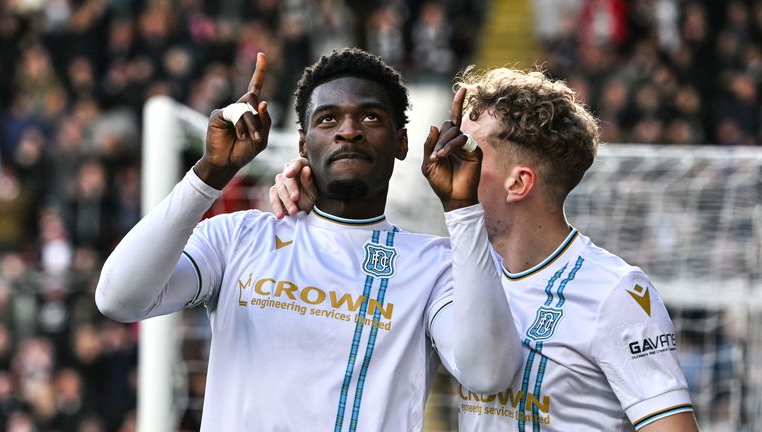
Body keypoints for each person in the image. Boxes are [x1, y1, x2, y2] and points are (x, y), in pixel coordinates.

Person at [95, 48, 521, 431]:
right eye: (328, 118)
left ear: (401, 142)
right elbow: (119, 298)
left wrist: (463, 210)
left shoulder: (434, 264)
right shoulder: (238, 237)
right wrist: (210, 174)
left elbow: (488, 372)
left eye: (370, 116)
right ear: (303, 143)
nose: (349, 131)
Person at [270, 66, 699, 431]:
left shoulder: (615, 292)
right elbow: (357, 261)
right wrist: (312, 194)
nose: (451, 157)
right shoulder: (450, 274)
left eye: (472, 150)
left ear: (519, 182)